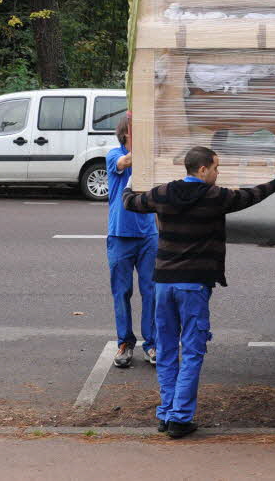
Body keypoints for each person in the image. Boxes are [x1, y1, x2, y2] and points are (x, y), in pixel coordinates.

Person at [124, 147, 275, 439]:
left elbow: (130, 202)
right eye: (216, 168)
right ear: (202, 170)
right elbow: (251, 195)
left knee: (168, 350)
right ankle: (180, 420)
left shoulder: (162, 194)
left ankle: (166, 413)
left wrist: (135, 176)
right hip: (193, 286)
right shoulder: (215, 197)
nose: (217, 173)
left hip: (163, 285)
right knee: (194, 351)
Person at [106, 112, 158, 368]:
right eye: (138, 129)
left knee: (152, 291)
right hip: (120, 235)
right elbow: (125, 162)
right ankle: (125, 343)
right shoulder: (114, 156)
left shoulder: (151, 158)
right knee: (122, 292)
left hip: (149, 234)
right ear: (127, 132)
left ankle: (152, 344)